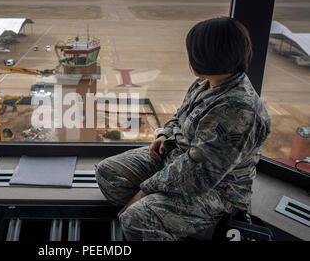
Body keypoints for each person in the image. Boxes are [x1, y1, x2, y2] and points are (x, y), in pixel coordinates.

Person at [95, 17, 271, 241]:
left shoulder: (237, 110)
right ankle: (169, 215)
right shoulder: (207, 82)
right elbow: (180, 115)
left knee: (135, 219)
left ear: (208, 56)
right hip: (177, 159)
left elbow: (198, 172)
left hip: (217, 189)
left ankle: (180, 220)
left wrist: (145, 191)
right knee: (108, 174)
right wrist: (166, 134)